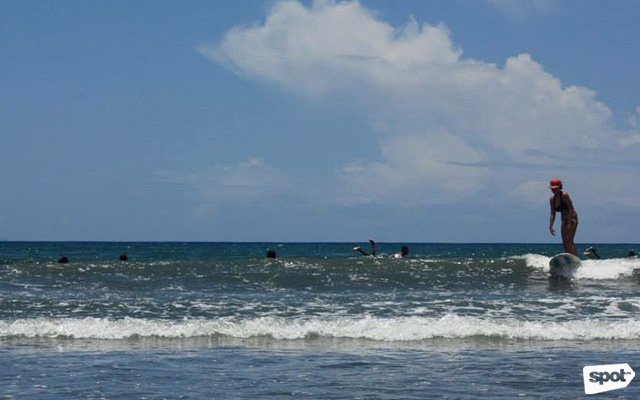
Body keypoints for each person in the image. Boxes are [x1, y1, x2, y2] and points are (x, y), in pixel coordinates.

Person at [549, 178, 579, 256]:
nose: (554, 191)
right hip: (563, 220)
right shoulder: (552, 199)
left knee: (569, 240)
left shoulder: (564, 195)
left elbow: (570, 208)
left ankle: (574, 256)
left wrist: (569, 223)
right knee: (564, 241)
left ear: (560, 187)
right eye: (553, 189)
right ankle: (568, 257)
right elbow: (553, 213)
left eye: (556, 189)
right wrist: (551, 226)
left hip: (571, 218)